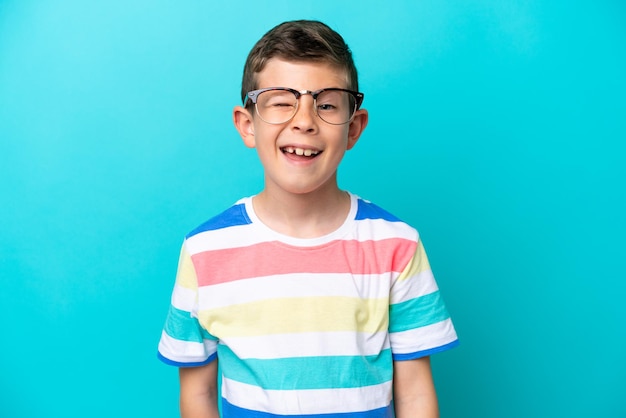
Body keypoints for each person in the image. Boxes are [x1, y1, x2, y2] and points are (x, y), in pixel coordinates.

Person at [157, 19, 459, 417]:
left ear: (354, 128)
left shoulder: (396, 245)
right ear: (247, 124)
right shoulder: (204, 251)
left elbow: (416, 394)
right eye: (282, 100)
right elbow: (197, 396)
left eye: (327, 103)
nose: (304, 120)